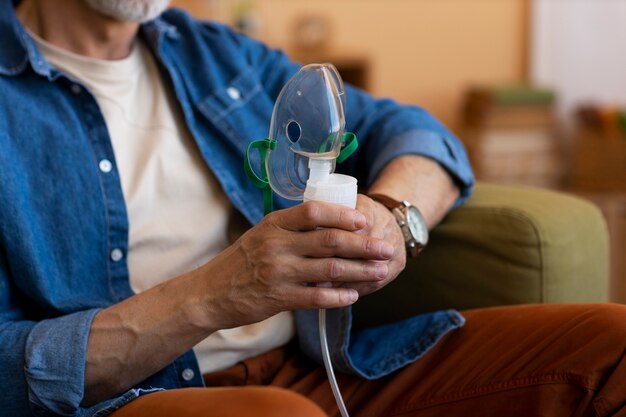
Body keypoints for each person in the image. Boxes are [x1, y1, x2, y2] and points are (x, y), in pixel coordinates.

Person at [1, 1, 626, 416]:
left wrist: (394, 215)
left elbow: (413, 129)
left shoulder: (218, 56)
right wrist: (215, 293)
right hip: (144, 398)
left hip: (322, 366)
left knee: (611, 348)